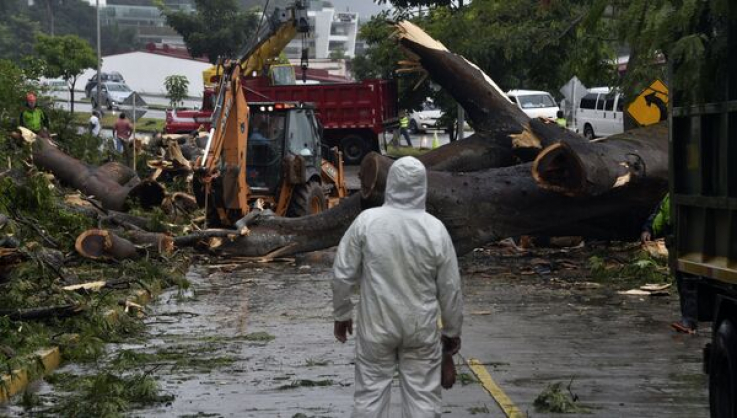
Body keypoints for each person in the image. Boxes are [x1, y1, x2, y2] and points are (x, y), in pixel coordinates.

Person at [333, 156, 463, 417]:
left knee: (369, 397)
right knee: (423, 400)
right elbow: (450, 288)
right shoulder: (435, 229)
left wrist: (342, 314)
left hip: (376, 328)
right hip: (420, 329)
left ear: (390, 184)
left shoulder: (367, 222)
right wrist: (451, 332)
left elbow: (342, 273)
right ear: (422, 186)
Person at [641, 193, 697, 333]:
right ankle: (687, 320)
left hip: (691, 243)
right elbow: (660, 213)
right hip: (676, 243)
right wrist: (649, 229)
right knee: (682, 282)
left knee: (688, 282)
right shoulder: (670, 196)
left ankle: (689, 321)